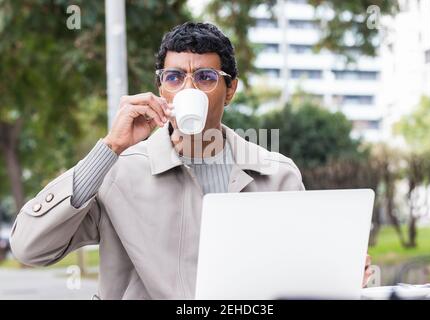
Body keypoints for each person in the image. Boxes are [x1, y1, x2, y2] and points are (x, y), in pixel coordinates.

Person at [9, 22, 372, 299]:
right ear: (161, 87)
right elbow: (30, 247)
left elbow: (299, 277)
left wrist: (341, 274)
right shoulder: (118, 171)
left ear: (230, 90)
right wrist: (109, 147)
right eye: (175, 77)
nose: (188, 90)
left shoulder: (275, 175)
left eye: (205, 77)